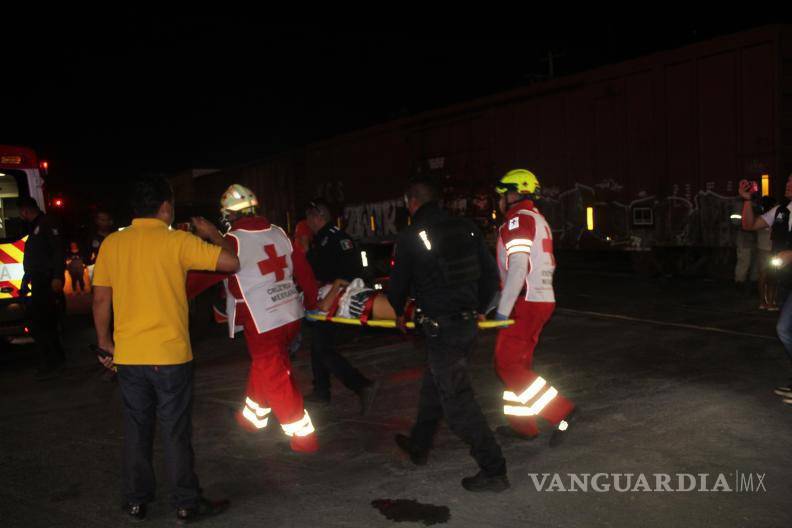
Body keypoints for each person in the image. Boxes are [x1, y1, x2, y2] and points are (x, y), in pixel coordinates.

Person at [92, 175, 238, 523]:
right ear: (165, 207)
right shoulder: (177, 242)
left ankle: (135, 501)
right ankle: (186, 503)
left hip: (129, 357)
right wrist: (212, 234)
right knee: (175, 432)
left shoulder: (113, 243)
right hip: (170, 357)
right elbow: (231, 263)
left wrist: (104, 344)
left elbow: (100, 300)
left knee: (136, 431)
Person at [389, 178, 508, 493]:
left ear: (412, 202)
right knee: (434, 385)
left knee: (457, 403)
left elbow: (397, 287)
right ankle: (419, 444)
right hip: (466, 325)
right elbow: (491, 276)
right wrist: (477, 308)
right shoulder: (466, 227)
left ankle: (494, 469)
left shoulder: (412, 236)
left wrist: (399, 311)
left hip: (442, 329)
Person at [186, 184, 320, 453]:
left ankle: (303, 437)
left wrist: (175, 289)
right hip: (290, 315)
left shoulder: (232, 241)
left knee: (276, 375)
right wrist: (313, 302)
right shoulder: (279, 233)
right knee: (268, 367)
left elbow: (204, 275)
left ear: (227, 216)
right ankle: (252, 419)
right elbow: (303, 270)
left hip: (262, 320)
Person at [491, 169, 576, 446]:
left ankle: (561, 412)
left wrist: (504, 309)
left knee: (506, 365)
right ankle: (522, 426)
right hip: (539, 298)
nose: (501, 199)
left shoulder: (517, 220)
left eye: (503, 194)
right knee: (518, 365)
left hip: (525, 302)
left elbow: (518, 267)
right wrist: (497, 299)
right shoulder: (536, 219)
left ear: (514, 193)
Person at [304, 199, 378, 413]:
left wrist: (333, 295)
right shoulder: (321, 240)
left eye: (310, 216)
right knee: (318, 345)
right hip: (327, 297)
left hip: (336, 299)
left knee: (322, 347)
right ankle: (321, 391)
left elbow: (350, 272)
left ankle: (360, 385)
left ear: (320, 217)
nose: (308, 221)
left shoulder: (337, 238)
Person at [17, 197, 65, 379]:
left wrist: (57, 276)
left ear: (25, 210)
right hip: (37, 280)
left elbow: (58, 250)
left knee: (42, 323)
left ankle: (51, 362)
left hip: (46, 280)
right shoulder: (35, 226)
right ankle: (56, 359)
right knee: (44, 323)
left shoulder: (46, 223)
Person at [757, 196, 778, 311]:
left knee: (763, 276)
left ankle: (763, 302)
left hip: (762, 249)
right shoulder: (772, 217)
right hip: (770, 249)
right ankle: (770, 302)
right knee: (771, 276)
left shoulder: (760, 217)